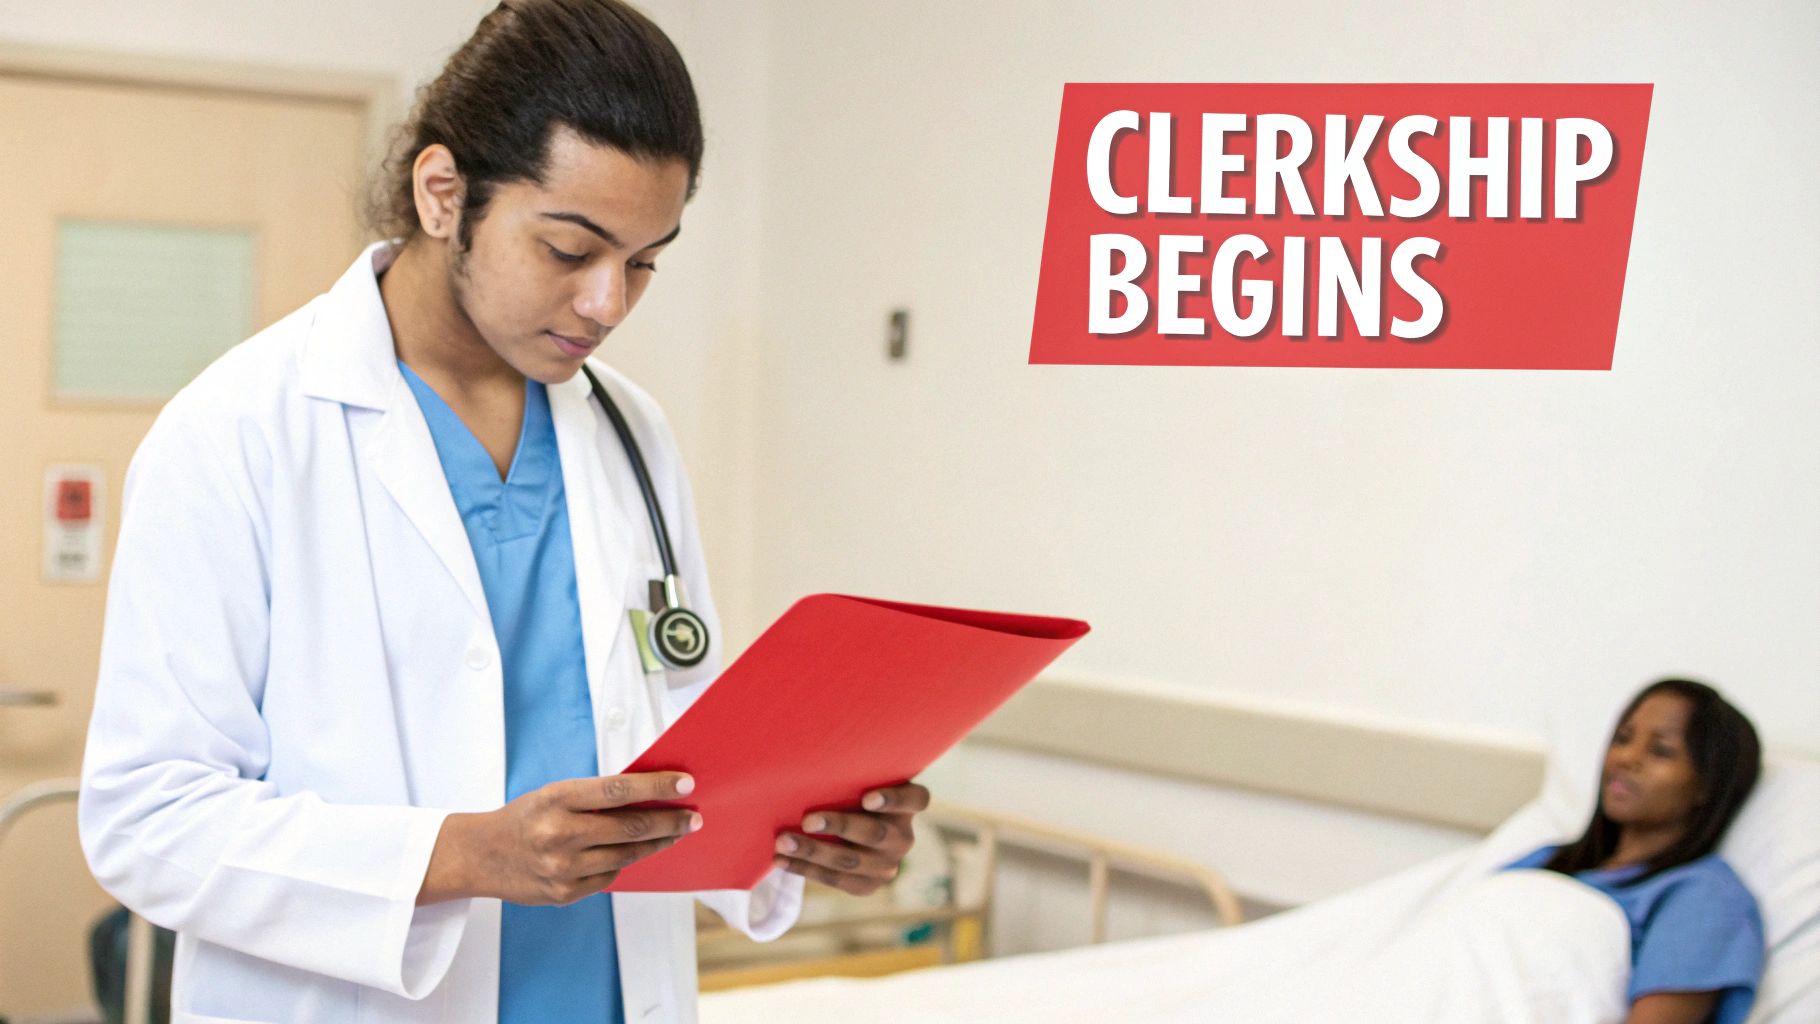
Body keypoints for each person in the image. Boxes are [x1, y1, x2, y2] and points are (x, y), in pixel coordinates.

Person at [76, 2, 929, 1021]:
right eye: (570, 249)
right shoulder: (237, 432)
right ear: (444, 194)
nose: (608, 302)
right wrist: (463, 854)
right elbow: (147, 820)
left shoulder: (630, 432)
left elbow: (675, 744)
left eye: (644, 261)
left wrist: (801, 834)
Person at [1504, 679, 1764, 1024]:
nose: (1626, 758)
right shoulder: (1546, 861)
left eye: (1661, 751)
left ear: (1706, 785)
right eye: (1623, 739)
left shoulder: (1704, 897)